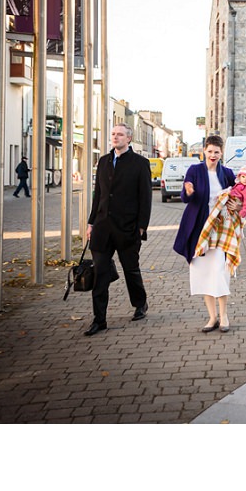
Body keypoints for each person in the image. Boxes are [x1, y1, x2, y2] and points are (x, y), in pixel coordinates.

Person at [83, 124, 152, 336]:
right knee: (100, 273)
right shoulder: (103, 161)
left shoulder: (140, 163)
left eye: (120, 134)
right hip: (102, 228)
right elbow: (98, 195)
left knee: (131, 270)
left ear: (129, 139)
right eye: (113, 134)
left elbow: (145, 197)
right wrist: (91, 223)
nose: (115, 137)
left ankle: (140, 304)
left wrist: (141, 226)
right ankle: (99, 319)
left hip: (128, 228)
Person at [172, 135, 241, 333]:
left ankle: (224, 315)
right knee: (203, 274)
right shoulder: (194, 170)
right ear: (204, 151)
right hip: (198, 230)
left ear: (221, 153)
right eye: (210, 151)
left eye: (216, 152)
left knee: (220, 272)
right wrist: (188, 190)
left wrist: (238, 205)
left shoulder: (227, 173)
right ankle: (212, 318)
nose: (213, 155)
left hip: (220, 232)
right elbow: (185, 196)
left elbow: (239, 198)